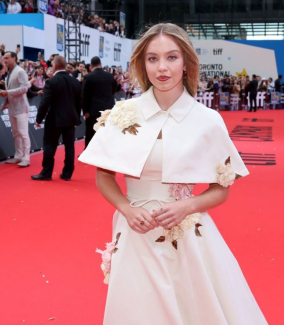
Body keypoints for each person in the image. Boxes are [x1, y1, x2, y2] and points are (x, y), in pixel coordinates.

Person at [78, 23, 268, 325]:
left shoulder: (208, 120)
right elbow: (104, 176)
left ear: (186, 63)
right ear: (142, 63)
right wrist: (125, 208)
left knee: (194, 310)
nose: (162, 67)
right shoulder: (122, 114)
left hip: (187, 233)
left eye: (171, 57)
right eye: (152, 58)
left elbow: (223, 188)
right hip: (135, 230)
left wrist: (187, 205)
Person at [31, 56, 81, 181]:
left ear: (54, 67)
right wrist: (76, 118)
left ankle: (46, 173)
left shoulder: (51, 82)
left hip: (54, 119)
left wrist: (39, 118)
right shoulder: (74, 82)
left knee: (49, 146)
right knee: (70, 146)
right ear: (64, 66)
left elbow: (45, 102)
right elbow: (79, 102)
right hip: (70, 119)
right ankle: (67, 174)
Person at [0, 52, 31, 167]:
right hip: (12, 107)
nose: (4, 60)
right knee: (15, 133)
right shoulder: (9, 72)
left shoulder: (20, 71)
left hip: (21, 107)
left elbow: (25, 88)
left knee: (23, 133)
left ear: (14, 58)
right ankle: (18, 156)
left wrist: (7, 92)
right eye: (3, 58)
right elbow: (11, 90)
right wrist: (4, 96)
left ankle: (26, 157)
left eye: (7, 58)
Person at [82, 56, 117, 148]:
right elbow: (113, 91)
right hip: (108, 109)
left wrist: (85, 111)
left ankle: (89, 153)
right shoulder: (110, 76)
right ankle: (106, 151)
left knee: (91, 132)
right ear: (100, 65)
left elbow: (84, 95)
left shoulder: (88, 77)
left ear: (91, 66)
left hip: (93, 110)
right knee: (107, 131)